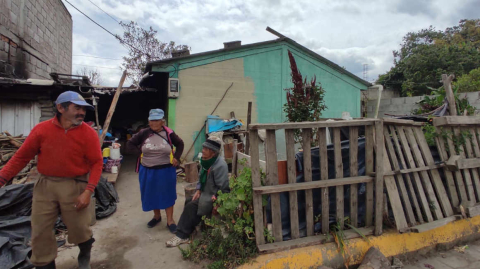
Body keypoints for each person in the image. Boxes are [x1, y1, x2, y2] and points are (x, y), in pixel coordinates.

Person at [0, 91, 103, 269]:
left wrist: (88, 191)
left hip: (75, 184)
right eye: (76, 108)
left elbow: (96, 162)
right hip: (46, 185)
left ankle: (84, 251)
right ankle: (45, 264)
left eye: (83, 109)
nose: (82, 112)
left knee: (79, 228)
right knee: (40, 230)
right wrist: (1, 179)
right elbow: (21, 158)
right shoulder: (42, 130)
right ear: (60, 108)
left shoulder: (88, 134)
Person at [127, 109, 184, 233]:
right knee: (152, 194)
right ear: (148, 121)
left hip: (166, 171)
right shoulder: (143, 133)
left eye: (157, 120)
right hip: (147, 171)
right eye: (152, 120)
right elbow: (130, 144)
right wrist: (140, 154)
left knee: (168, 195)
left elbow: (180, 144)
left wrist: (176, 158)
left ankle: (170, 221)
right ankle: (156, 217)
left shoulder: (169, 133)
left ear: (162, 121)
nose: (154, 123)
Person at [166, 136, 229, 247]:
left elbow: (223, 188)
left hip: (213, 196)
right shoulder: (206, 161)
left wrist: (217, 203)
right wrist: (199, 190)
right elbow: (200, 177)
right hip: (205, 192)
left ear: (213, 152)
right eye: (203, 147)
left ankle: (181, 235)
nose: (202, 150)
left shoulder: (220, 165)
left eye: (205, 149)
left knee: (192, 206)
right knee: (189, 200)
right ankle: (190, 229)